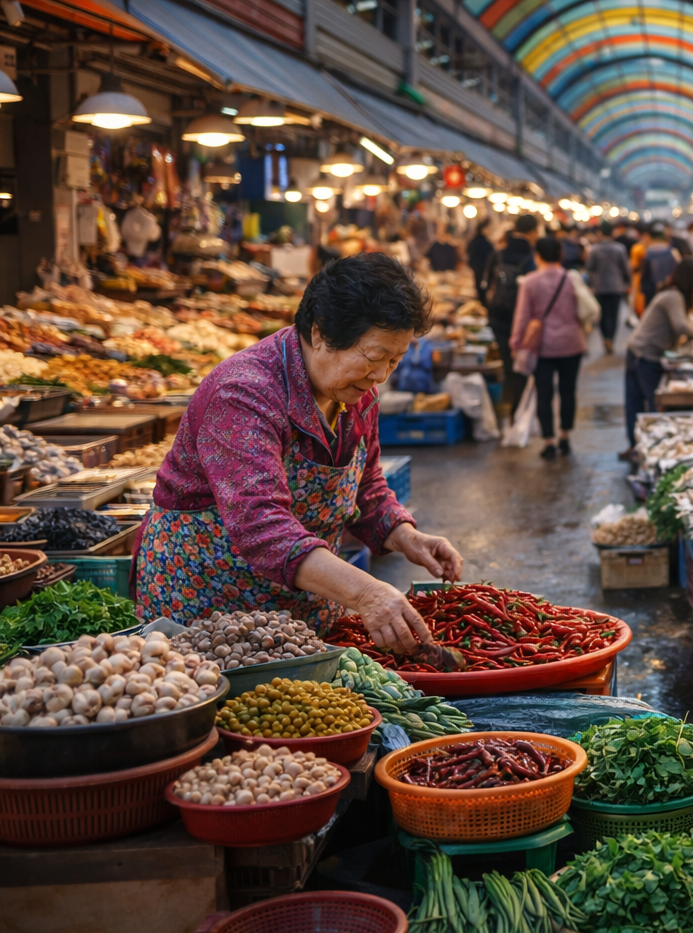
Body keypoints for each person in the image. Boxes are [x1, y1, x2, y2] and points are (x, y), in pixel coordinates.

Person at [138, 255, 462, 655]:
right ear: (320, 333)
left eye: (394, 361)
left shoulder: (357, 393)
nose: (381, 375)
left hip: (298, 619)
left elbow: (365, 488)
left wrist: (406, 536)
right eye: (374, 357)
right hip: (208, 617)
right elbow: (262, 526)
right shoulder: (244, 394)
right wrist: (366, 593)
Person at [624, 258, 693, 455]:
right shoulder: (673, 295)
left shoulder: (674, 294)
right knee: (651, 404)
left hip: (639, 351)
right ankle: (646, 450)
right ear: (692, 279)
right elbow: (681, 326)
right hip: (644, 354)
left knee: (636, 402)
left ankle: (636, 448)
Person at [512, 236, 586, 460]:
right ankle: (565, 435)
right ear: (561, 254)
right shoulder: (572, 278)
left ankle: (549, 441)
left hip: (543, 346)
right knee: (568, 391)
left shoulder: (530, 282)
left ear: (537, 256)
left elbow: (522, 317)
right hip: (571, 343)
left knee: (544, 393)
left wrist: (516, 343)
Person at [489, 214, 539, 408]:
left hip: (498, 317)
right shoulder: (531, 258)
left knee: (505, 362)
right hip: (523, 320)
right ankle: (518, 407)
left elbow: (485, 286)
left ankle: (508, 404)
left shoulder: (498, 254)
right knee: (522, 366)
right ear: (533, 232)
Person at [586, 220, 630, 354]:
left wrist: (589, 285)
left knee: (602, 315)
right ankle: (611, 338)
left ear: (600, 232)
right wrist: (628, 282)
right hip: (616, 286)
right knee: (614, 314)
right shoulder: (620, 248)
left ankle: (605, 338)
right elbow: (625, 268)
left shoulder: (594, 249)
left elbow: (589, 268)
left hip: (599, 286)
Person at [640, 223, 680, 305]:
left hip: (651, 290)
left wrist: (642, 290)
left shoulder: (647, 252)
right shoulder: (672, 252)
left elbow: (644, 274)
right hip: (668, 289)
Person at [466, 218, 497, 304]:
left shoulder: (474, 240)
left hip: (477, 272)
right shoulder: (484, 243)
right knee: (482, 295)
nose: (491, 230)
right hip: (482, 273)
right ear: (484, 229)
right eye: (489, 228)